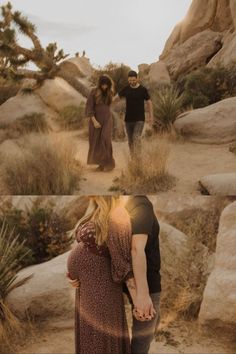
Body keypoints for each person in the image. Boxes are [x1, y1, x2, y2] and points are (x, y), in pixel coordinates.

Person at [67, 196, 137, 354]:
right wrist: (72, 274)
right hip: (86, 288)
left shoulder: (118, 214)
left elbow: (122, 262)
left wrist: (138, 299)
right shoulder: (94, 209)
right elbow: (81, 248)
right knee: (90, 336)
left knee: (99, 338)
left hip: (102, 289)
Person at [125, 195, 161, 354]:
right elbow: (136, 249)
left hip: (131, 276)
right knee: (143, 337)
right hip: (144, 280)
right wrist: (142, 294)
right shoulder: (141, 205)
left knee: (151, 323)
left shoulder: (125, 206)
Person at [113, 71, 154, 156]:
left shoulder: (142, 90)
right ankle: (133, 160)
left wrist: (151, 118)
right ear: (128, 79)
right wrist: (106, 104)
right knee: (130, 141)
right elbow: (116, 98)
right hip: (128, 120)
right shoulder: (126, 89)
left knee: (136, 138)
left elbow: (149, 102)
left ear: (137, 78)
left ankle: (138, 160)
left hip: (139, 119)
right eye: (130, 80)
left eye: (134, 80)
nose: (132, 82)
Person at [85, 75, 115, 172]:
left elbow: (109, 106)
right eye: (103, 85)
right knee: (96, 141)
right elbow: (89, 107)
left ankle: (109, 163)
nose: (104, 87)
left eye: (106, 85)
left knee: (105, 139)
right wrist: (94, 121)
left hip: (107, 119)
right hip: (96, 120)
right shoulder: (93, 92)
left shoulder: (110, 92)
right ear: (99, 84)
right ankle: (101, 164)